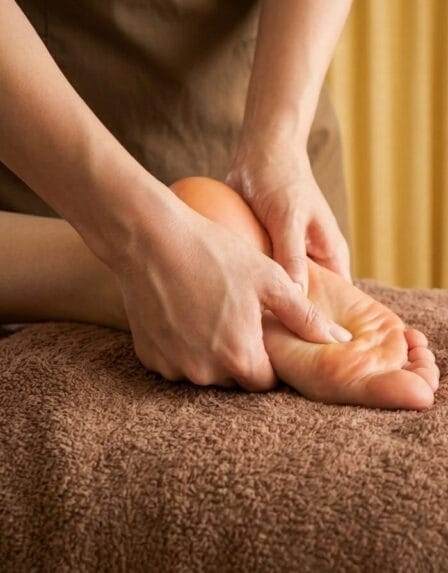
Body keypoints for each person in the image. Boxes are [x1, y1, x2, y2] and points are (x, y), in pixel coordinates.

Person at [0, 0, 416, 396]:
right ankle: (226, 277)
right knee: (151, 262)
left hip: (264, 90)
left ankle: (244, 264)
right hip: (35, 137)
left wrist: (277, 148)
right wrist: (139, 235)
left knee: (254, 254)